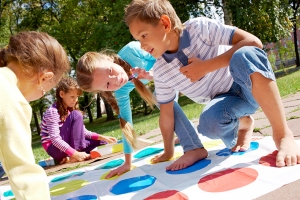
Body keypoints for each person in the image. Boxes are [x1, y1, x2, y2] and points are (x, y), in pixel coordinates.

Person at [124, 0, 300, 168]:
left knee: (245, 54)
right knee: (208, 124)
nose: (142, 45)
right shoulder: (161, 70)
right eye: (138, 39)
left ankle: (283, 134)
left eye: (143, 36)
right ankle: (244, 124)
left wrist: (206, 67)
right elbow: (167, 115)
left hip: (249, 84)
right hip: (226, 103)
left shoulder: (199, 29)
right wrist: (168, 152)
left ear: (164, 23)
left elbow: (254, 42)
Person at [76, 41, 207, 177]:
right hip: (165, 83)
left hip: (185, 67)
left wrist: (151, 74)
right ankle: (184, 135)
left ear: (109, 60)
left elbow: (168, 56)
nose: (116, 79)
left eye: (110, 71)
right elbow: (126, 125)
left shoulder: (132, 51)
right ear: (103, 91)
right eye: (108, 84)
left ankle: (190, 144)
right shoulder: (121, 91)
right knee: (162, 99)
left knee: (160, 96)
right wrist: (127, 163)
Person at [0, 31, 70, 200]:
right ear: (44, 77)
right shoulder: (11, 97)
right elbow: (24, 173)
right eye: (46, 91)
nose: (42, 94)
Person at [40, 77, 117, 164]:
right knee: (77, 114)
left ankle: (69, 157)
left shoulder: (69, 111)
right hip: (55, 149)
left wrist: (102, 137)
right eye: (72, 97)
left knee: (102, 141)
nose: (75, 100)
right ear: (61, 94)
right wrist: (75, 154)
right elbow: (55, 139)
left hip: (68, 145)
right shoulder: (52, 112)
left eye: (77, 97)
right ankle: (73, 156)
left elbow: (83, 132)